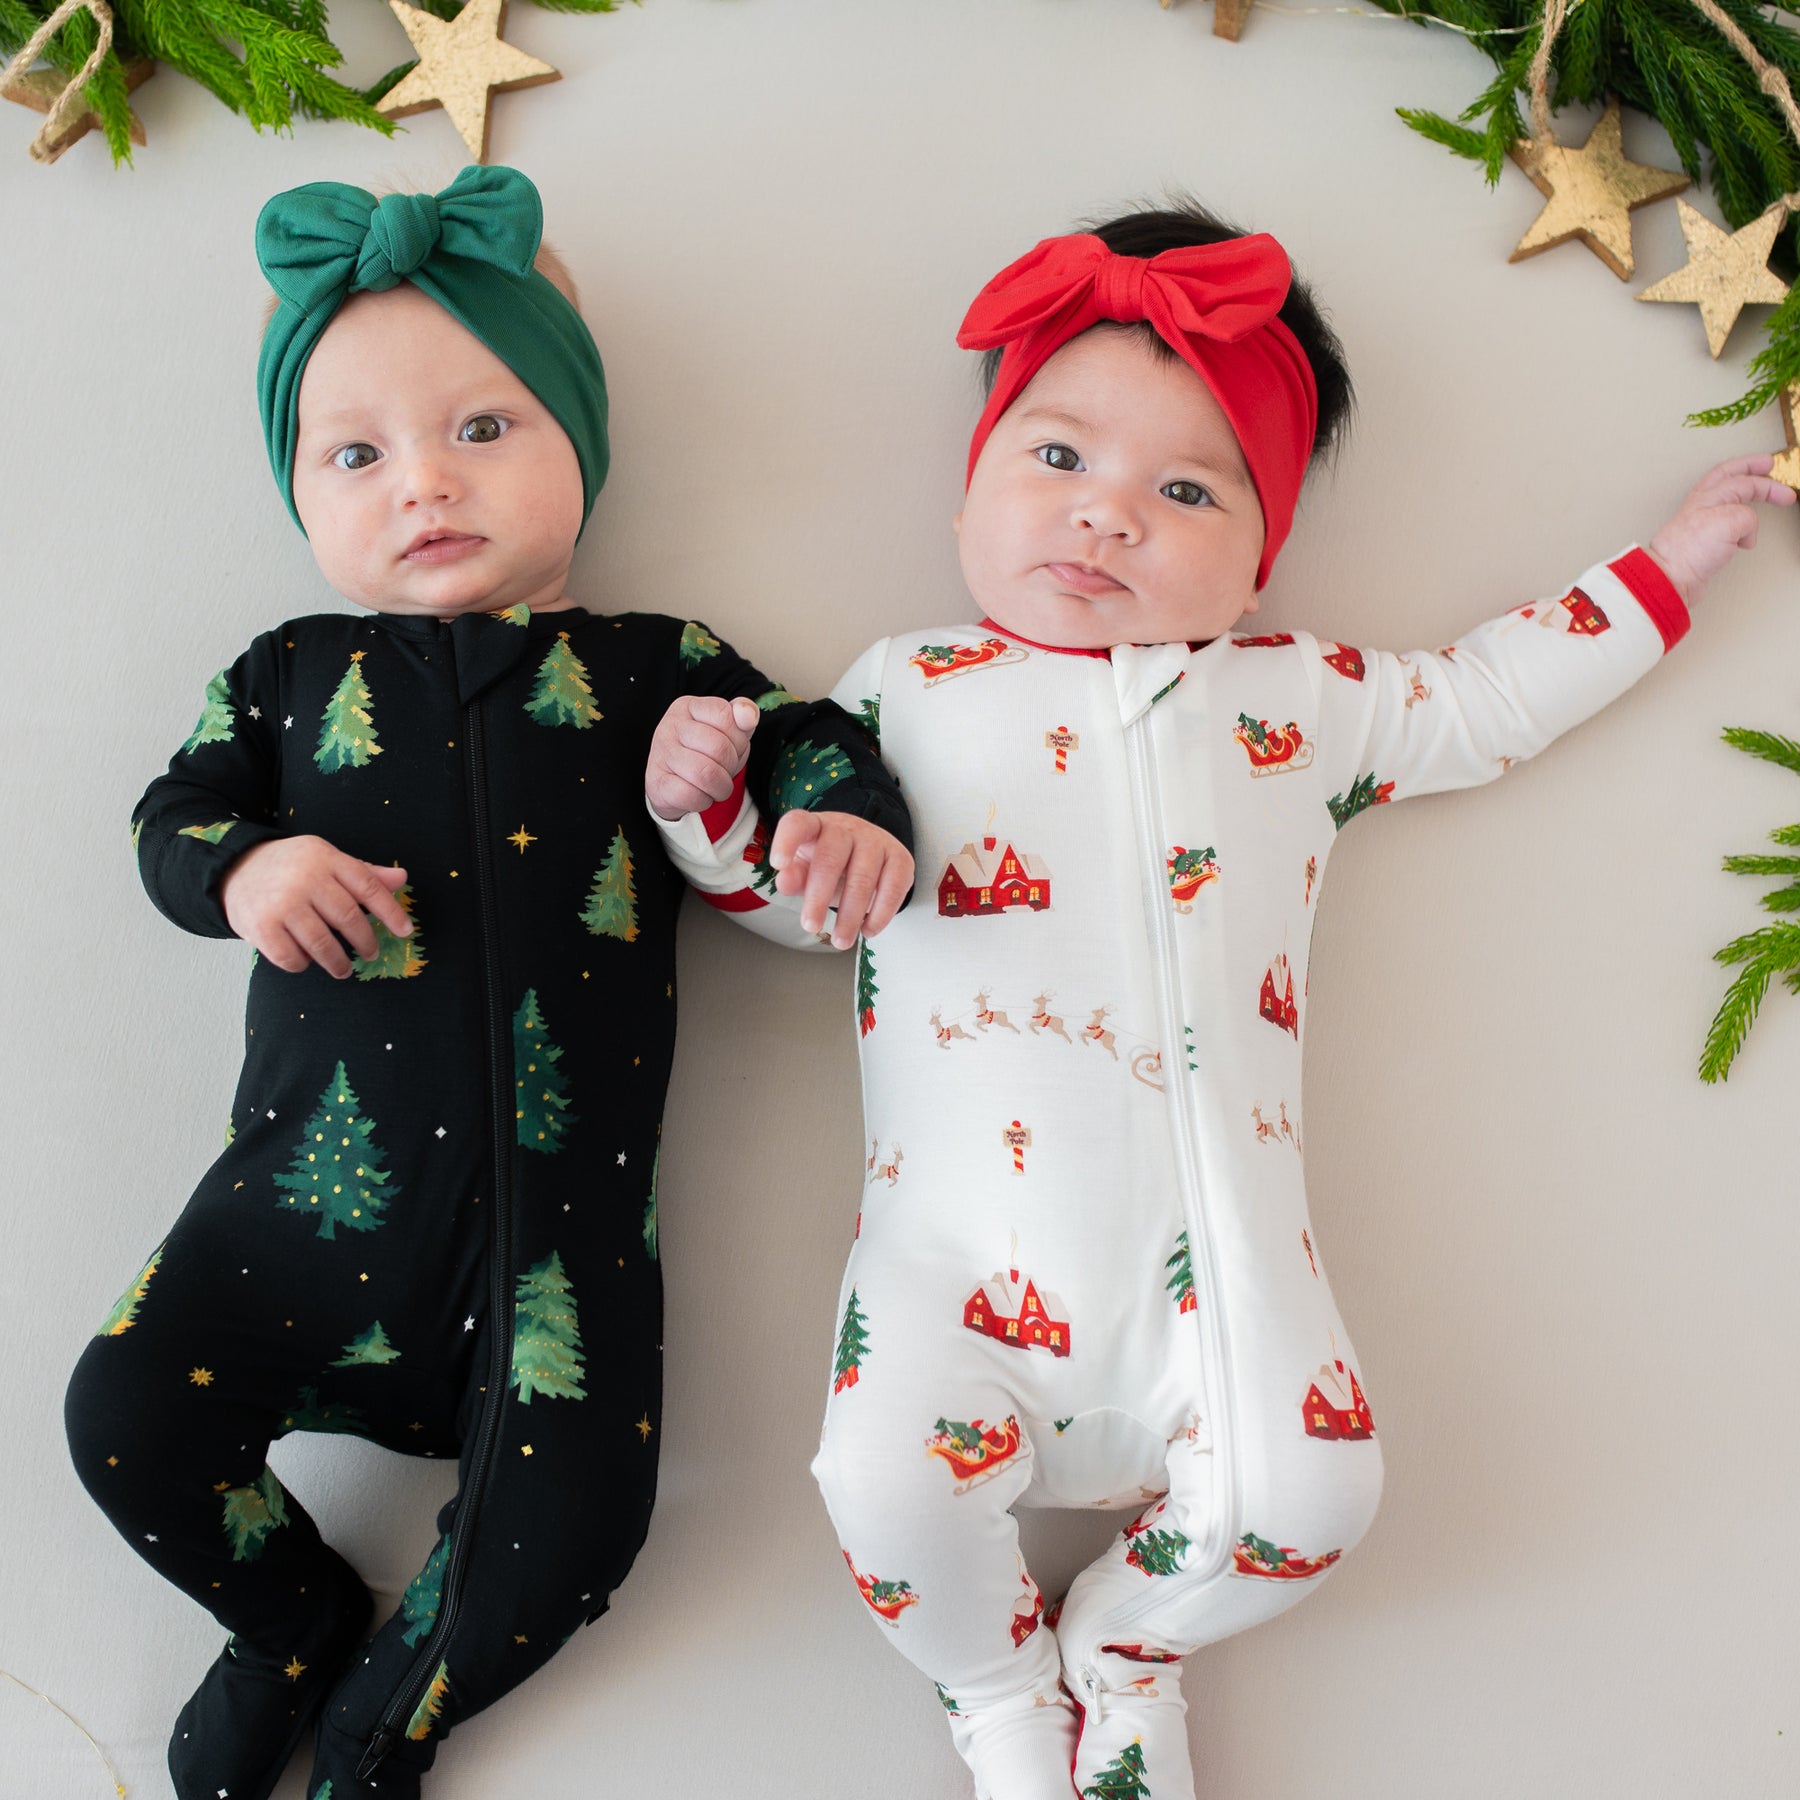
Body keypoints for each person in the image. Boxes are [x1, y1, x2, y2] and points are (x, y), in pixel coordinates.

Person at [661, 198, 1793, 1800]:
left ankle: (1127, 1650)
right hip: (953, 1270)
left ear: (1261, 558)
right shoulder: (898, 690)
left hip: (1228, 1292)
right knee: (875, 1481)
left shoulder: (1305, 700)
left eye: (1183, 489)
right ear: (973, 480)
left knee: (1318, 1495)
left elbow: (1488, 699)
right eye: (1057, 460)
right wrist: (706, 811)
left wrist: (1672, 563)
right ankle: (999, 1697)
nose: (1107, 517)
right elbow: (797, 902)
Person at [62, 165, 913, 1800]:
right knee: (120, 1412)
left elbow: (815, 732)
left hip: (555, 1239)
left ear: (576, 443)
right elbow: (170, 822)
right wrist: (246, 867)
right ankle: (293, 1621)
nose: (424, 487)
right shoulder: (288, 677)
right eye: (358, 455)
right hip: (291, 1215)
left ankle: (386, 1723)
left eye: (485, 429)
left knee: (581, 1524)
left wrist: (839, 807)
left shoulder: (660, 666)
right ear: (302, 495)